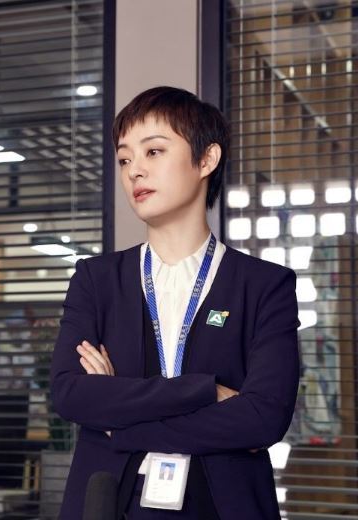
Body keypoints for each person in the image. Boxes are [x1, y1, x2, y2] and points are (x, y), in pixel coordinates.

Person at [50, 86, 299, 519]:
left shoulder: (265, 285)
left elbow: (263, 418)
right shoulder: (96, 279)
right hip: (109, 503)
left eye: (154, 152)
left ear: (206, 160)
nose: (134, 171)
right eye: (125, 159)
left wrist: (122, 424)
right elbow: (71, 394)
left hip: (223, 506)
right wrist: (206, 391)